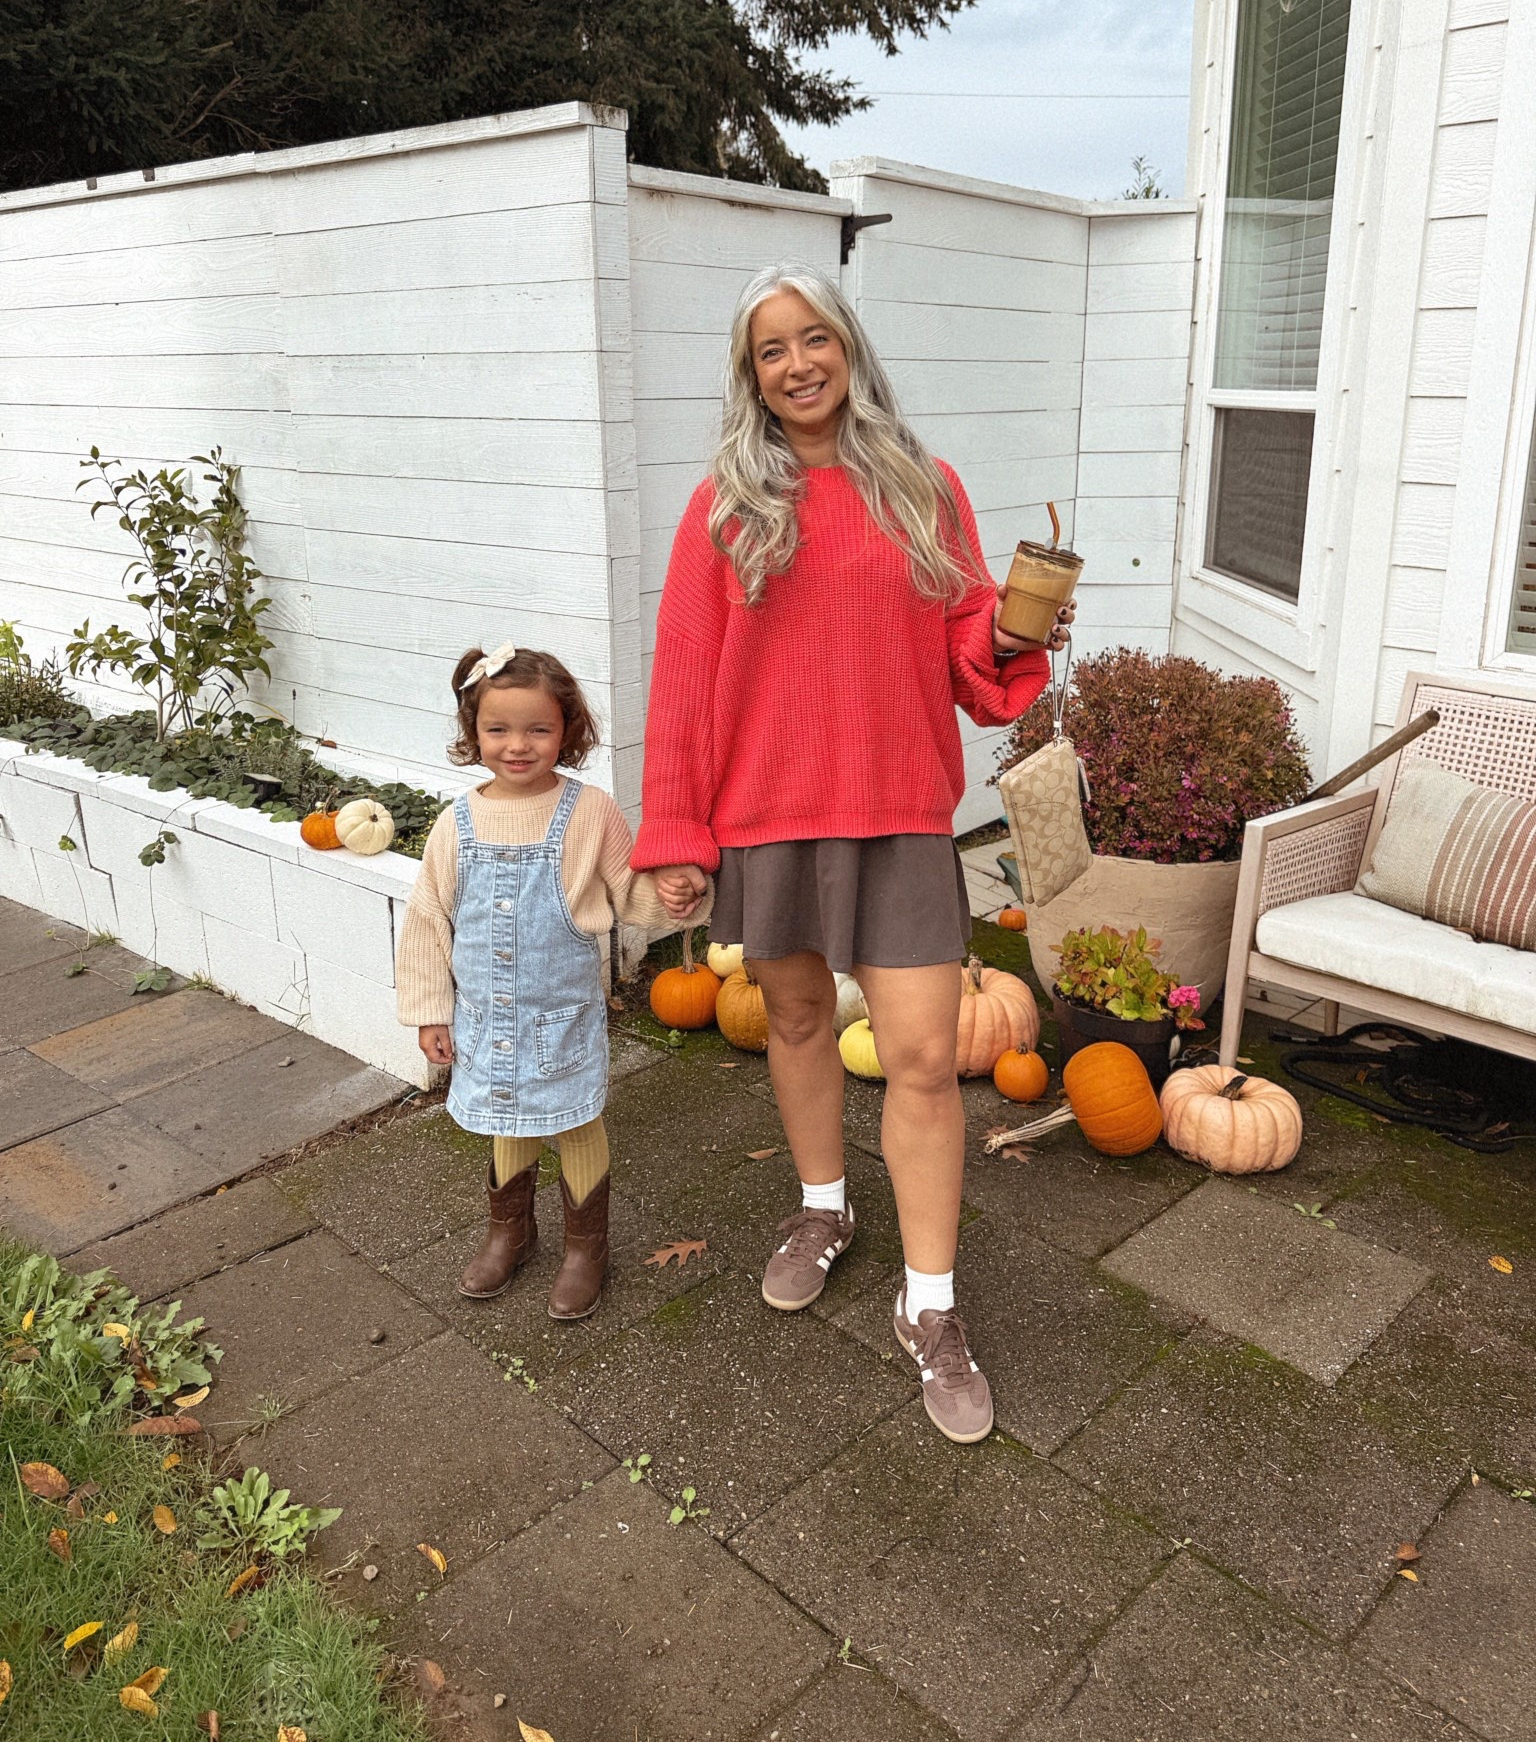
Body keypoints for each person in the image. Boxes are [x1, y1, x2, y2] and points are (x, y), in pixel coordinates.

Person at [630, 266, 1072, 1442]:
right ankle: (823, 1206)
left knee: (927, 1058)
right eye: (770, 350)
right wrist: (675, 830)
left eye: (812, 337)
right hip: (769, 809)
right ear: (752, 378)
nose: (796, 363)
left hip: (898, 811)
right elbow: (682, 673)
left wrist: (1017, 623)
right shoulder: (726, 505)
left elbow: (969, 649)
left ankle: (930, 1303)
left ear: (849, 348)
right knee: (794, 1019)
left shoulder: (926, 488)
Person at [396, 643, 680, 1320]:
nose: (517, 745)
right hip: (486, 1017)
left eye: (538, 730)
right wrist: (431, 1010)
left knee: (574, 1118)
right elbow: (427, 917)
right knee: (506, 1114)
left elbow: (630, 896)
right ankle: (510, 1231)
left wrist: (675, 892)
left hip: (562, 1015)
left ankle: (587, 1248)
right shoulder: (455, 822)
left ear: (568, 731)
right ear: (473, 733)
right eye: (498, 730)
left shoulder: (590, 811)